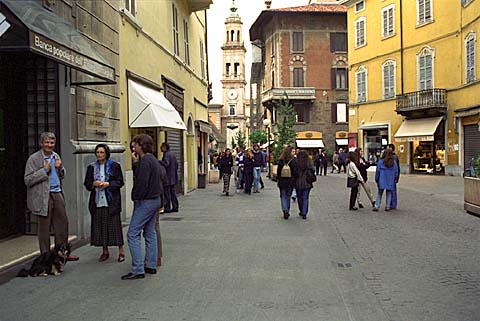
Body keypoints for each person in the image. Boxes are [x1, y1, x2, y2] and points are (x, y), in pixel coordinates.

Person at [24, 132, 79, 261]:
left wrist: (60, 168)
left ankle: (63, 252)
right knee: (44, 227)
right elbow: (28, 180)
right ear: (41, 143)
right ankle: (45, 255)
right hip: (43, 196)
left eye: (52, 143)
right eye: (47, 142)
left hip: (57, 193)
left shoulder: (56, 156)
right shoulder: (34, 159)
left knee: (62, 223)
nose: (49, 145)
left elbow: (62, 175)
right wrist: (44, 171)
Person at [122, 134, 162, 280]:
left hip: (145, 201)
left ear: (141, 145)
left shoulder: (145, 161)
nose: (133, 149)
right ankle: (150, 265)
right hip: (155, 199)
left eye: (134, 146)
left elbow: (141, 183)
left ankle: (138, 269)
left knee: (132, 233)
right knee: (150, 232)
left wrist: (135, 197)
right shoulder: (153, 160)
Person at [84, 144, 125, 263]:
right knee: (101, 226)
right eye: (97, 152)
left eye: (102, 152)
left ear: (106, 153)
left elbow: (119, 182)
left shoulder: (114, 166)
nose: (99, 155)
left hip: (111, 201)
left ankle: (121, 251)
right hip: (97, 200)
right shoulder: (91, 167)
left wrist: (108, 184)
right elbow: (87, 184)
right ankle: (104, 250)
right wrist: (93, 184)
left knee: (115, 227)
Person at [277, 146, 298, 219]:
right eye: (293, 151)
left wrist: (278, 179)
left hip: (282, 181)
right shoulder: (294, 160)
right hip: (290, 181)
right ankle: (287, 210)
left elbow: (278, 172)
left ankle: (284, 210)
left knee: (283, 196)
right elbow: (295, 172)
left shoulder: (281, 160)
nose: (294, 152)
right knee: (288, 196)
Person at [295, 150, 315, 219]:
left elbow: (294, 172)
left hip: (298, 183)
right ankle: (304, 213)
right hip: (307, 183)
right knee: (305, 198)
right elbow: (313, 170)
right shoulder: (309, 163)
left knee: (299, 198)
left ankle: (301, 210)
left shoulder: (296, 163)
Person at [160, 142, 179, 213]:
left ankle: (167, 208)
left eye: (161, 147)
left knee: (167, 193)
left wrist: (159, 162)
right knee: (173, 193)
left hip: (167, 178)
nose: (160, 148)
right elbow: (176, 165)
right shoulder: (172, 154)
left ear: (165, 147)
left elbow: (166, 164)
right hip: (173, 177)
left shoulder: (166, 155)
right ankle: (175, 206)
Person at [386, 143, 400, 209]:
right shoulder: (395, 156)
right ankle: (392, 203)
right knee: (392, 190)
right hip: (394, 176)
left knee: (392, 190)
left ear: (391, 149)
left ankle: (393, 204)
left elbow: (396, 169)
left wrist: (396, 177)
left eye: (388, 148)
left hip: (392, 176)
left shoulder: (393, 157)